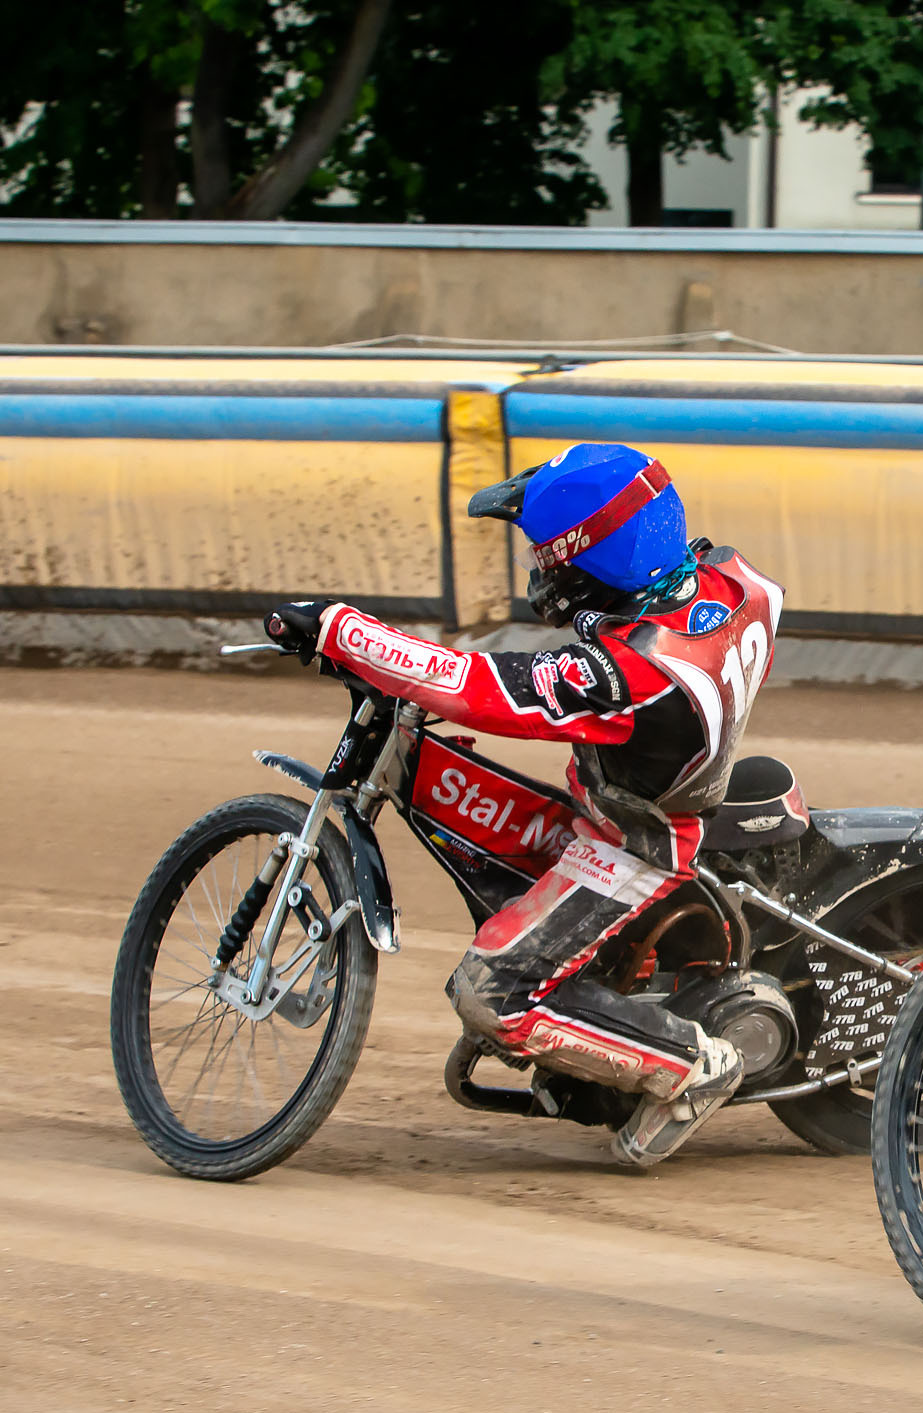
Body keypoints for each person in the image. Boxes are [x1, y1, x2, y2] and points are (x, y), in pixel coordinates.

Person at [263, 443, 780, 1167]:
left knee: (490, 991)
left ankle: (694, 1066)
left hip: (639, 841)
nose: (539, 573)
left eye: (547, 558)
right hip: (636, 793)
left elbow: (477, 685)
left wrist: (341, 629)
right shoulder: (724, 581)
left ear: (592, 562)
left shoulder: (632, 673)